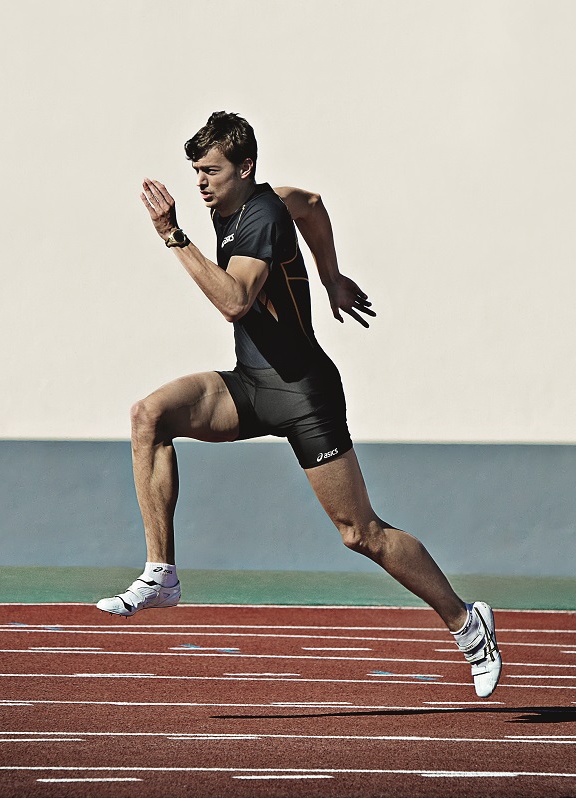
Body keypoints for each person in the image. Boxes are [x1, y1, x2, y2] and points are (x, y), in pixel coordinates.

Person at [97, 111, 501, 697]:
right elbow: (311, 202)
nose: (201, 184)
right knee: (149, 416)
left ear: (246, 168)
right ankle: (161, 573)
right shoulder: (258, 202)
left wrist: (172, 237)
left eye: (211, 172)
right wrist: (332, 278)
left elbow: (234, 301)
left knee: (361, 533)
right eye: (195, 173)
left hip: (304, 393)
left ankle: (468, 624)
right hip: (254, 383)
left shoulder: (259, 215)